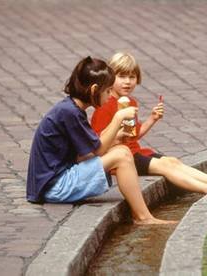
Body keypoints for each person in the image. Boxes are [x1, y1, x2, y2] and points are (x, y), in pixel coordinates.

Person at [26, 56, 175, 225]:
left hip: (53, 181)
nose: (110, 95)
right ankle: (143, 217)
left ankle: (141, 215)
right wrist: (118, 117)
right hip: (53, 188)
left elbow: (86, 152)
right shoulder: (70, 113)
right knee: (122, 155)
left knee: (120, 151)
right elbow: (98, 150)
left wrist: (115, 138)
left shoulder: (70, 109)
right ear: (94, 89)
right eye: (108, 91)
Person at [91, 52, 207, 194]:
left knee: (173, 161)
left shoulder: (131, 102)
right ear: (111, 78)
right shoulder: (106, 105)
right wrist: (117, 136)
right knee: (165, 166)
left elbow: (134, 135)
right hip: (123, 158)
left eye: (132, 77)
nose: (127, 82)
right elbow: (99, 144)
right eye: (122, 76)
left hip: (135, 151)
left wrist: (152, 119)